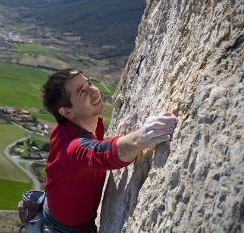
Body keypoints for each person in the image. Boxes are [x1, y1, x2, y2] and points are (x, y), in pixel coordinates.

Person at [40, 68, 177, 233]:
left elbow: (98, 145)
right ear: (67, 111)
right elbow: (99, 154)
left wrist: (124, 141)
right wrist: (141, 138)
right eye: (82, 91)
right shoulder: (71, 148)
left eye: (89, 82)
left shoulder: (88, 124)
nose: (93, 90)